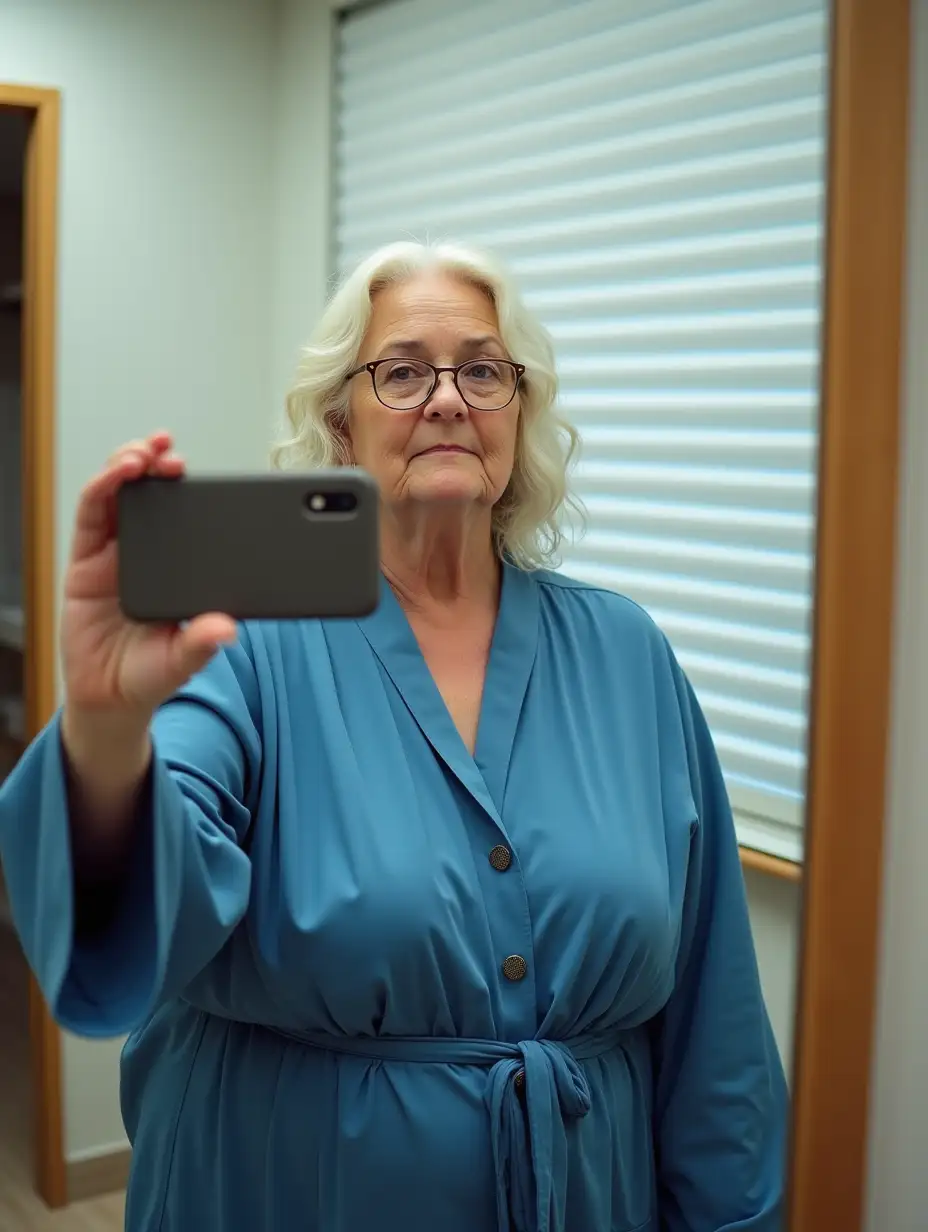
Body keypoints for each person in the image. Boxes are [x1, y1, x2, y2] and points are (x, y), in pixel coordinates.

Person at [0, 241, 787, 1232]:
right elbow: (136, 922)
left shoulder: (625, 653)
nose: (449, 398)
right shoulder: (242, 645)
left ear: (520, 410)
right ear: (342, 420)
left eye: (484, 369)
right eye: (403, 370)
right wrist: (111, 726)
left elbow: (716, 1021)